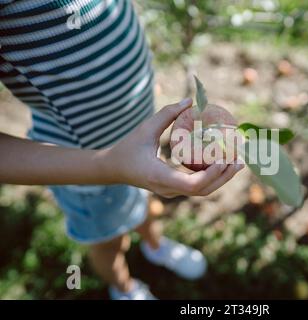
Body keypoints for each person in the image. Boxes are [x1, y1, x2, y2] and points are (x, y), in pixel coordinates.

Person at [0, 0, 243, 300]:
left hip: (136, 146)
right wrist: (109, 166)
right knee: (109, 242)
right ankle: (124, 287)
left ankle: (154, 246)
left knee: (143, 207)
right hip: (87, 172)